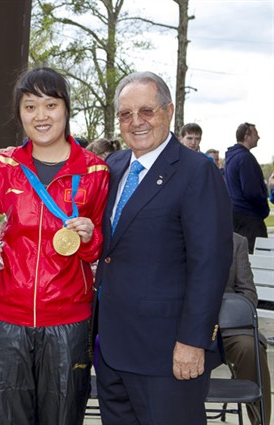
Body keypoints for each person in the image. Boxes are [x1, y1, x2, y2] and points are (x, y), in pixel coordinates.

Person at [94, 71, 233, 424]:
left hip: (168, 355)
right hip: (112, 350)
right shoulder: (113, 166)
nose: (136, 122)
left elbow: (211, 264)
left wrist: (193, 341)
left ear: (169, 111)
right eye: (126, 114)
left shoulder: (196, 171)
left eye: (147, 111)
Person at [0, 67, 109, 424]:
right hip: (5, 318)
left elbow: (101, 248)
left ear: (66, 109)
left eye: (50, 104)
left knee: (63, 417)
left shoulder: (97, 172)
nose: (41, 116)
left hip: (68, 319)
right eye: (30, 106)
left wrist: (88, 237)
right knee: (7, 418)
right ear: (19, 114)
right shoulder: (2, 167)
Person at [224, 232, 271, 425]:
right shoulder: (175, 237)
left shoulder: (237, 242)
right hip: (184, 327)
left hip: (229, 328)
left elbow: (248, 294)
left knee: (251, 349)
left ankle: (260, 421)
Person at [224, 122, 268, 253]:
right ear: (246, 136)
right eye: (256, 134)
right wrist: (263, 207)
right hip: (249, 219)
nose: (258, 137)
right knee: (256, 259)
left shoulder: (232, 157)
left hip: (237, 216)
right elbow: (251, 192)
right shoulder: (244, 158)